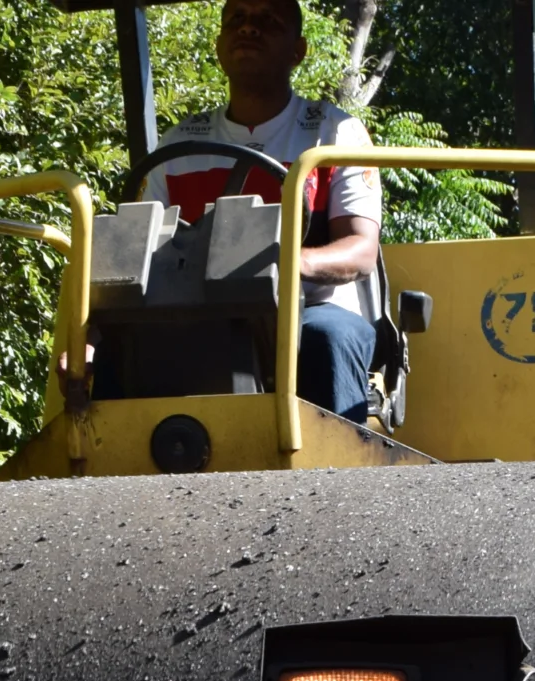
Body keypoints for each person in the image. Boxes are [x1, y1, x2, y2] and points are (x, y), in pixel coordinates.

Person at [141, 0, 383, 421]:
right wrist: (93, 338)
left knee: (327, 339)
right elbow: (142, 254)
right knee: (129, 344)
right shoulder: (179, 146)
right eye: (237, 19)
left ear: (298, 51)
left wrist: (278, 264)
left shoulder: (333, 133)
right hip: (205, 311)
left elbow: (361, 250)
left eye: (268, 21)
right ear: (219, 46)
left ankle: (339, 480)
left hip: (314, 309)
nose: (249, 29)